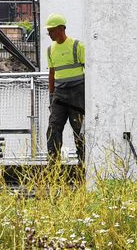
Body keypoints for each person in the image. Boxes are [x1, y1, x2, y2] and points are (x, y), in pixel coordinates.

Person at [45, 12, 85, 165]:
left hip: (77, 93)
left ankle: (83, 164)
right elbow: (52, 73)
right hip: (59, 95)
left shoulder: (77, 46)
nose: (49, 33)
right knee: (53, 128)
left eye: (51, 30)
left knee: (79, 129)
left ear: (61, 28)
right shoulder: (50, 50)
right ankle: (53, 165)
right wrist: (51, 95)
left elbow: (89, 69)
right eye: (48, 31)